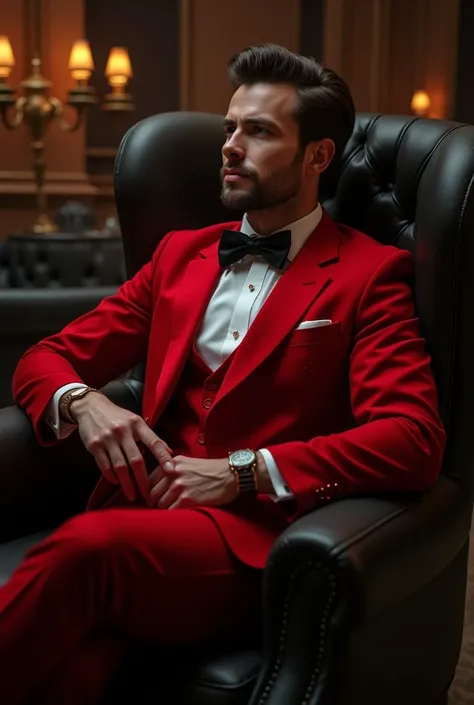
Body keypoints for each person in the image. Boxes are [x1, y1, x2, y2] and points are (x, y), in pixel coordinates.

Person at [4, 44, 445, 704]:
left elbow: (411, 438)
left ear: (318, 156)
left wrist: (245, 469)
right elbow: (43, 359)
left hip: (256, 543)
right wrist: (84, 401)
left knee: (85, 552)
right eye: (230, 128)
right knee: (74, 675)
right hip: (141, 522)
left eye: (260, 131)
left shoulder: (369, 275)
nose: (231, 146)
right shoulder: (181, 255)